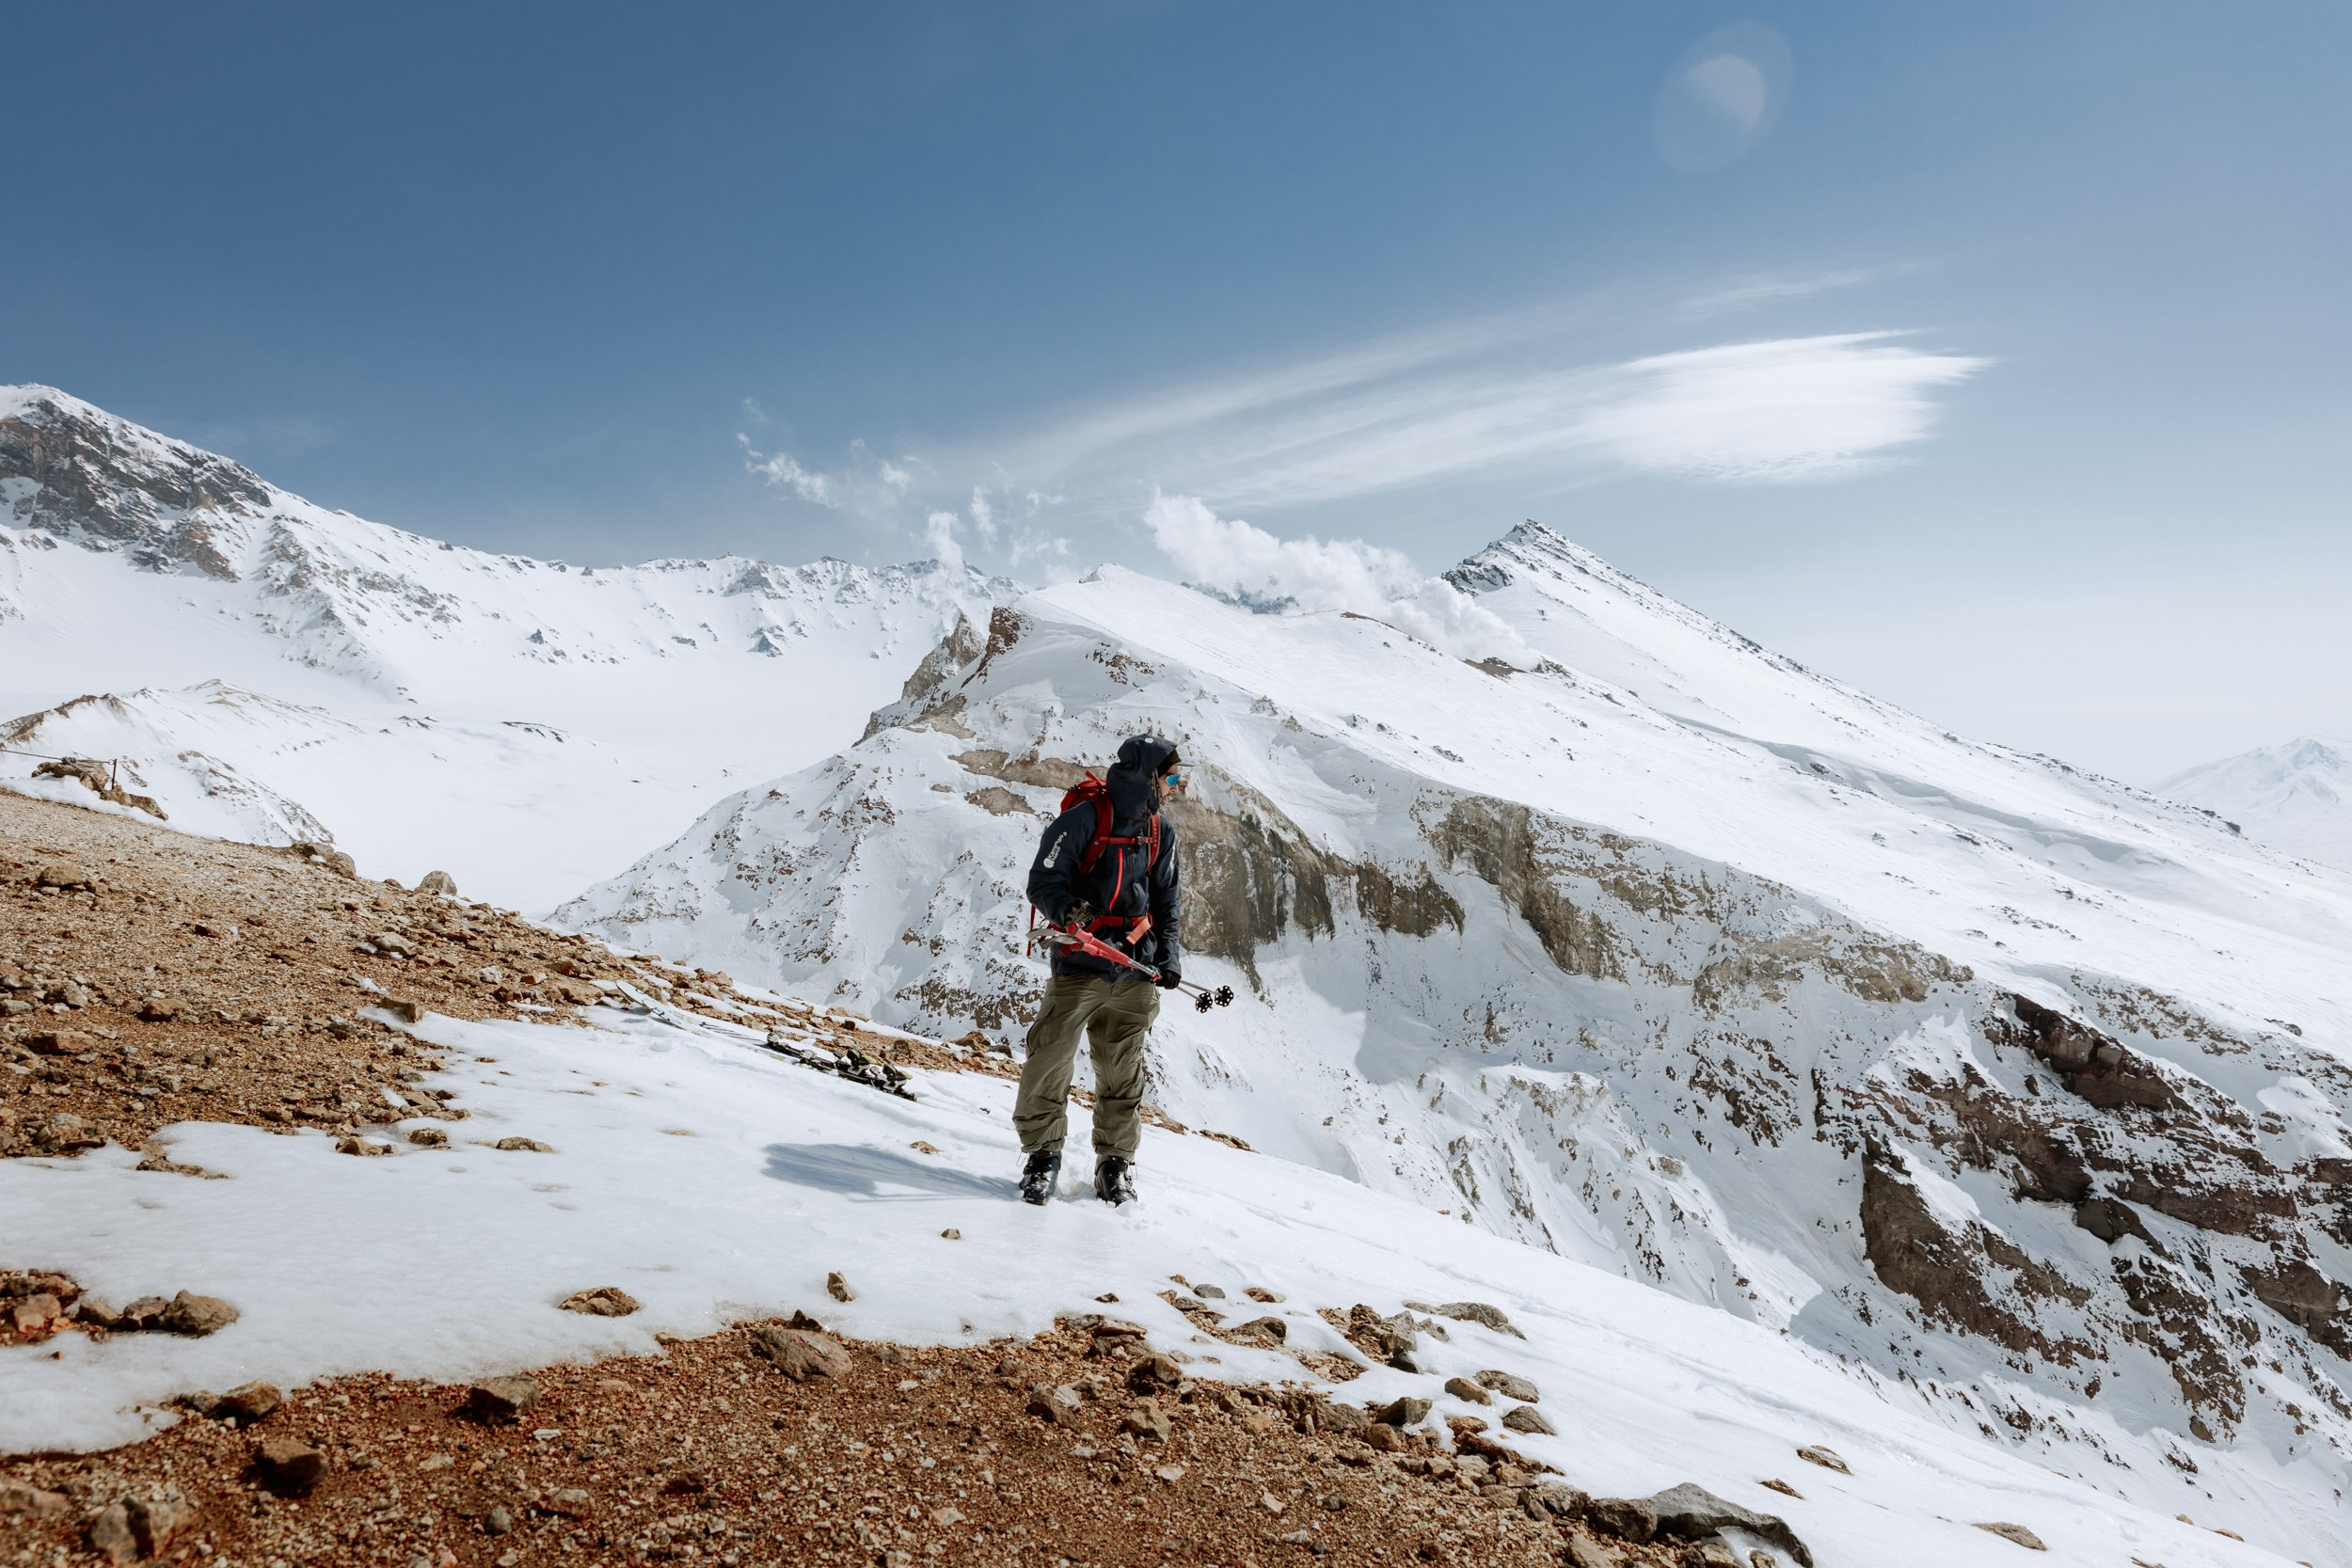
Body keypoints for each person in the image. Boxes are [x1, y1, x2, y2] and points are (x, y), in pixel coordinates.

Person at [1015, 734, 1186, 1205]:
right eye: (1172, 777)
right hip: (1080, 965)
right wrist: (1069, 910)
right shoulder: (1082, 819)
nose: (1177, 787)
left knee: (1122, 1071)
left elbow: (1167, 901)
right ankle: (1042, 1158)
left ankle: (1115, 1164)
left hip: (1135, 969)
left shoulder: (1159, 832)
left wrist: (1169, 957)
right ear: (1150, 777)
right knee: (1049, 1058)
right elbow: (1042, 881)